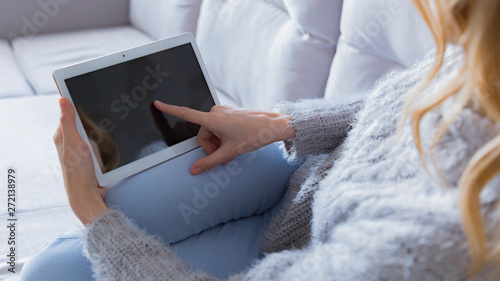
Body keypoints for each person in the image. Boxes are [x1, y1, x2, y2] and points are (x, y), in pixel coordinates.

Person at [22, 0, 500, 279]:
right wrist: (276, 124)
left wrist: (94, 215)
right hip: (294, 175)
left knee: (50, 272)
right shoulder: (476, 61)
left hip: (293, 246)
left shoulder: (434, 236)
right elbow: (390, 110)